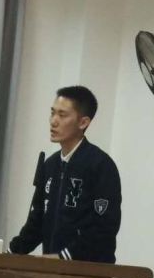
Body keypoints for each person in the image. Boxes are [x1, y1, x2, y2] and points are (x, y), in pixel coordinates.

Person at [8, 86, 121, 263]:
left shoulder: (101, 165)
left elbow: (104, 228)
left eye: (62, 115)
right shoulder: (50, 165)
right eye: (52, 113)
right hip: (52, 269)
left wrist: (64, 257)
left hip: (87, 272)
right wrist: (8, 253)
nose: (53, 121)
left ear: (83, 122)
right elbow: (36, 223)